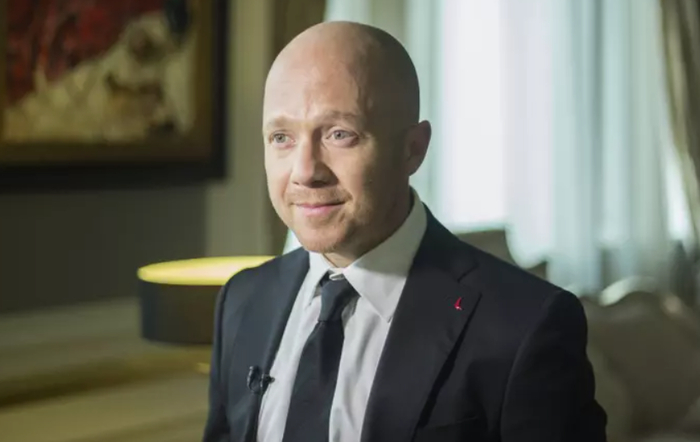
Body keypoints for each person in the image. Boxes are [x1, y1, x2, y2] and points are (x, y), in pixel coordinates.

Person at [202, 21, 607, 442]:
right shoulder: (243, 300)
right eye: (281, 137)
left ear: (413, 148)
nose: (305, 171)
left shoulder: (525, 325)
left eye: (340, 134)